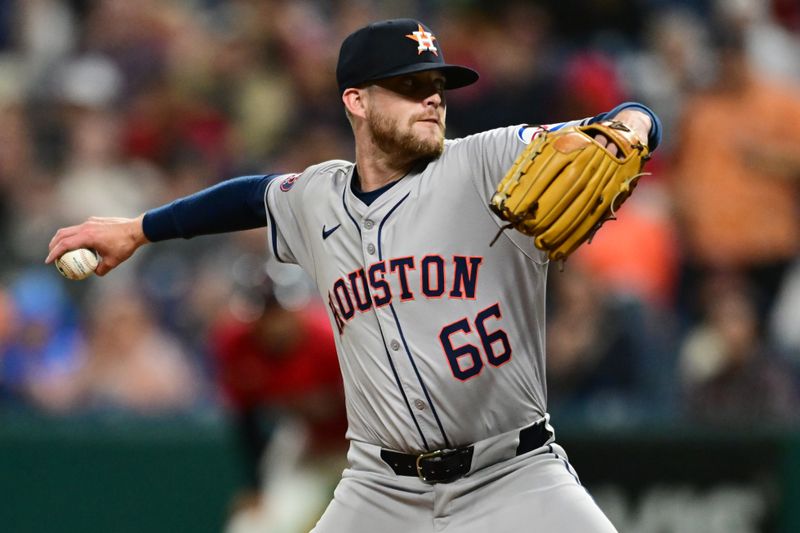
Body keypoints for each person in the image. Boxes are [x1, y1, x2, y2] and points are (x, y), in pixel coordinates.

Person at [46, 18, 661, 533]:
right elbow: (248, 198)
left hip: (514, 475)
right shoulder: (318, 198)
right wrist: (139, 228)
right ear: (356, 100)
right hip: (380, 490)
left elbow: (627, 120)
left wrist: (630, 128)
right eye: (410, 85)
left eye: (438, 85)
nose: (433, 98)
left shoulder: (486, 161)